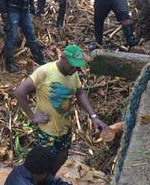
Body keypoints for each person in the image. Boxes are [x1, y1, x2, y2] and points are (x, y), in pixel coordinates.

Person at [13, 45, 108, 174]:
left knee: (62, 156)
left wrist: (93, 116)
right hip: (47, 130)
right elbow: (19, 92)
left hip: (65, 128)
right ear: (62, 58)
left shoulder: (73, 74)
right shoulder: (45, 72)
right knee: (43, 163)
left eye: (77, 67)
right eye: (72, 66)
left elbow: (80, 93)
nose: (75, 69)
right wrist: (33, 116)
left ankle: (49, 182)